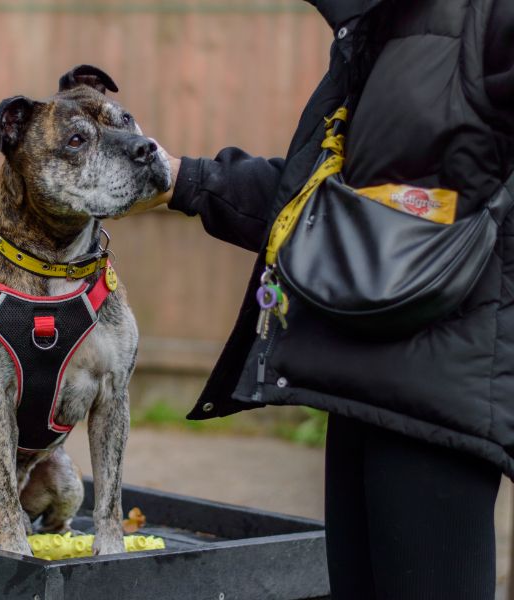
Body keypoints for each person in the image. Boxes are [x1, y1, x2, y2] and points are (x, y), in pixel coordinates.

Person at [139, 1, 514, 598]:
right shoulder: (380, 27)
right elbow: (322, 209)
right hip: (359, 385)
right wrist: (183, 178)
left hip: (440, 400)